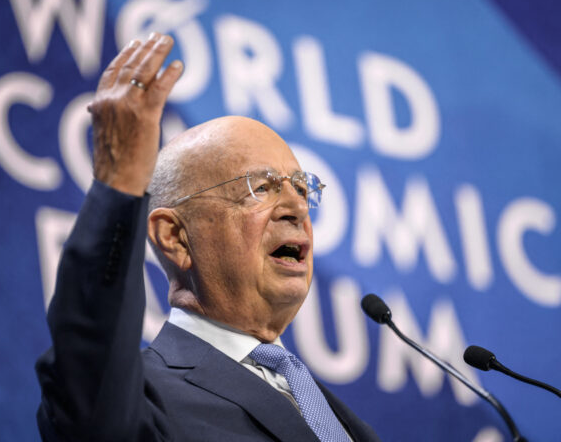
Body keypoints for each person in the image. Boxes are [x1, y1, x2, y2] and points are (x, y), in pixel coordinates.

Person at [36, 32, 380, 442]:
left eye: (302, 189)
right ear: (175, 238)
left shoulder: (332, 412)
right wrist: (120, 183)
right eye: (262, 187)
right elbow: (88, 359)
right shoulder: (139, 397)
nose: (297, 208)